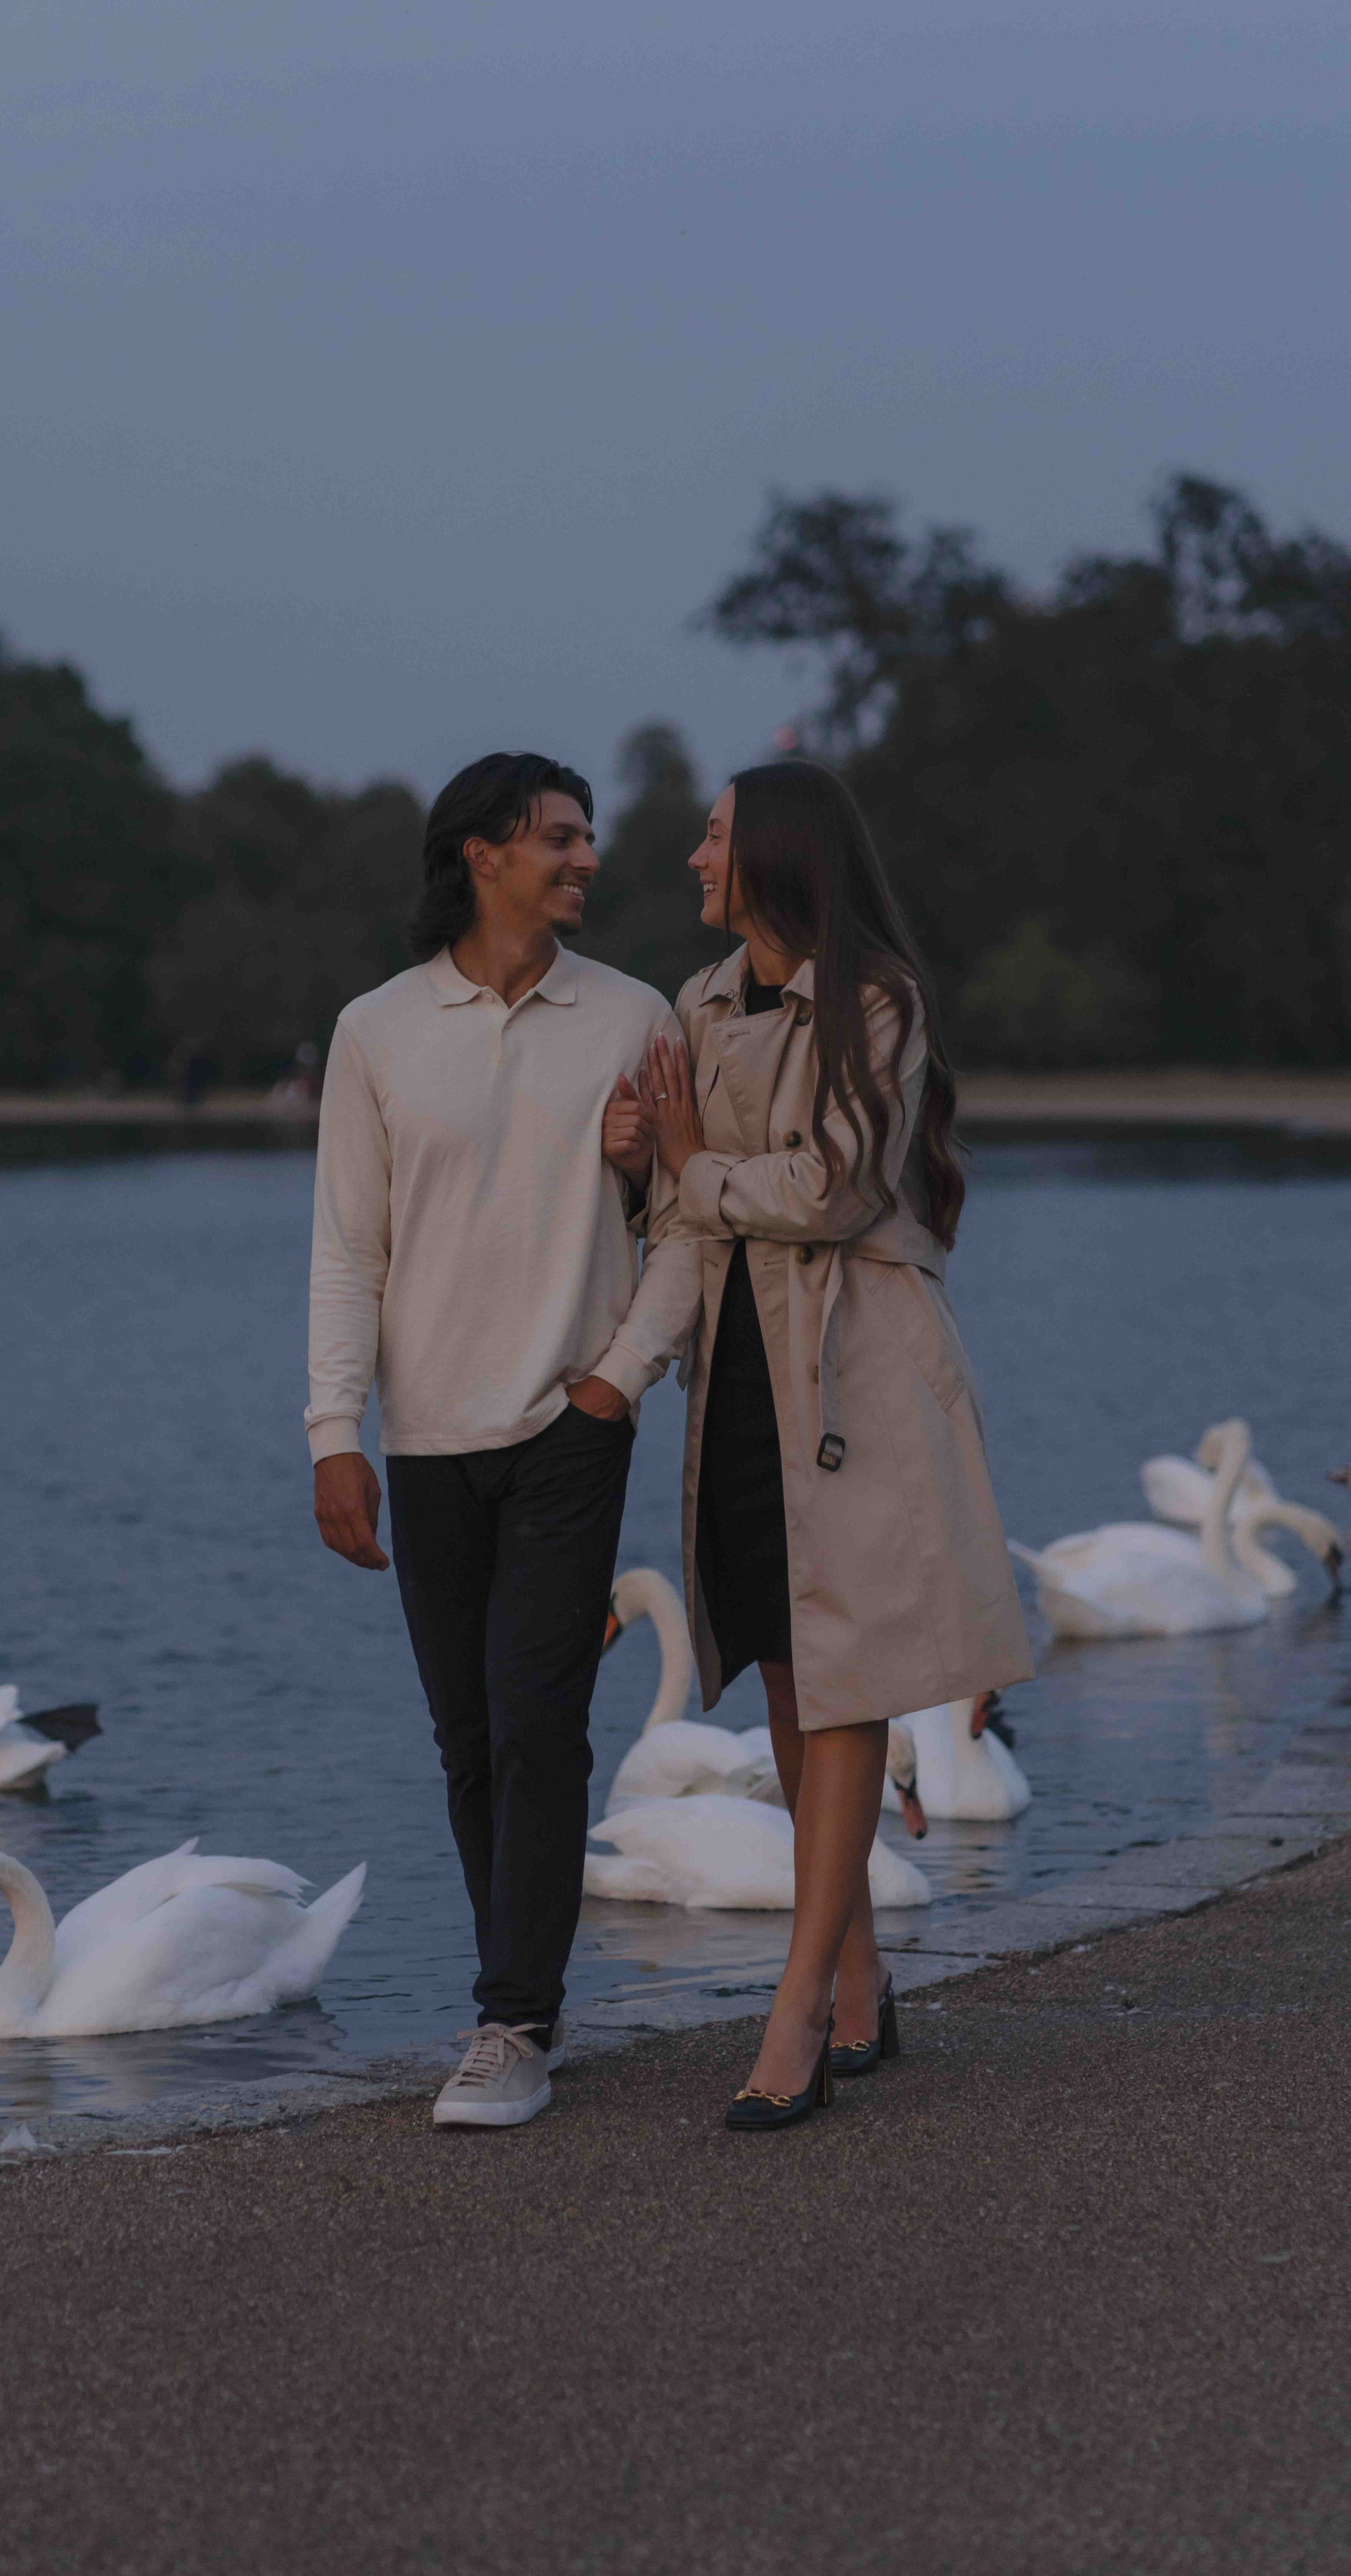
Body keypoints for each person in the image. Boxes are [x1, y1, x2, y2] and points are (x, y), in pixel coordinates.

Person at [603, 759, 1031, 2132]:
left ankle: (794, 2014)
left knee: (845, 1680)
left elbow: (837, 1191)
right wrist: (638, 1158)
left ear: (779, 853)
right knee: (791, 1678)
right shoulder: (697, 1002)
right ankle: (858, 1975)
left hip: (855, 1373)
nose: (693, 858)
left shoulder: (879, 1004)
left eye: (713, 835)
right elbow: (685, 1214)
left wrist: (690, 1166)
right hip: (741, 1372)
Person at [307, 752, 695, 2129]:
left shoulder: (637, 1016)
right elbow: (349, 1249)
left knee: (541, 1720)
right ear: (482, 855)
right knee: (469, 1736)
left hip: (571, 1425)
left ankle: (513, 2021)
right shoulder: (376, 1030)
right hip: (424, 1440)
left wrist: (619, 1383)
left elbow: (686, 1225)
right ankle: (521, 2000)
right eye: (559, 838)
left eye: (587, 837)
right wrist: (334, 1432)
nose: (587, 858)